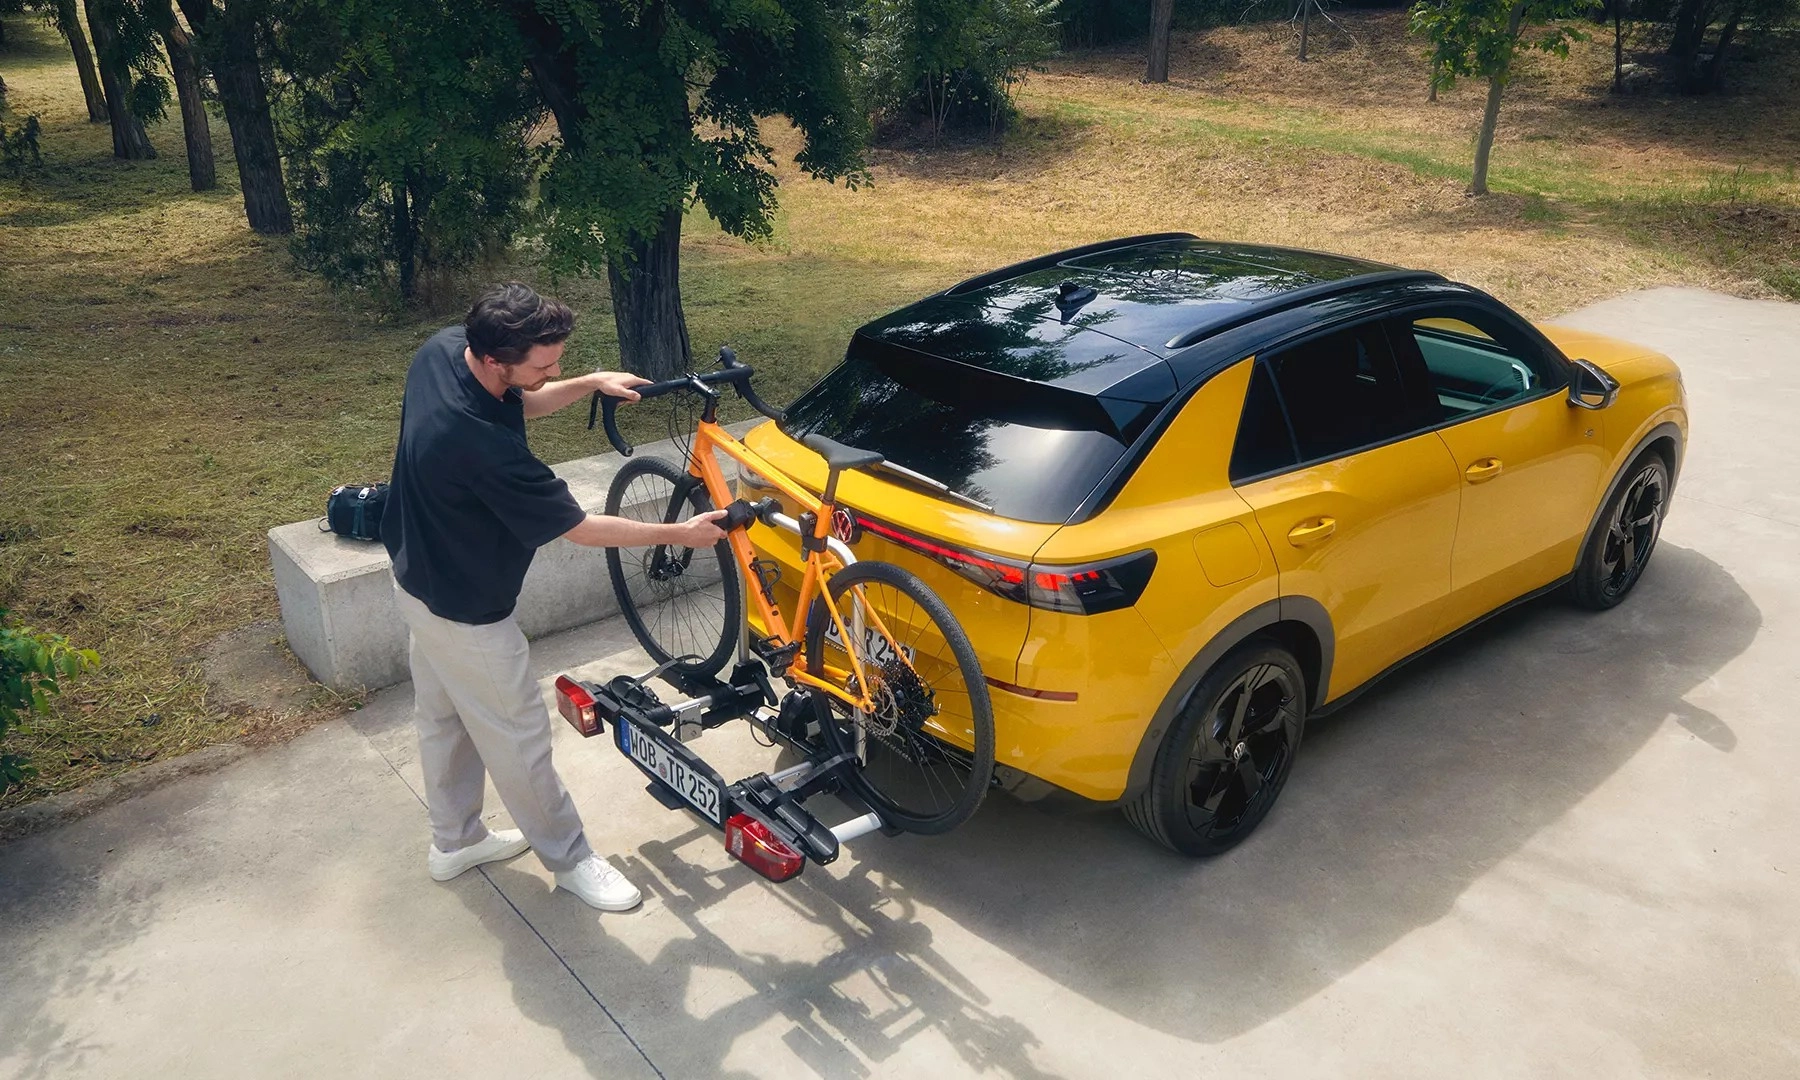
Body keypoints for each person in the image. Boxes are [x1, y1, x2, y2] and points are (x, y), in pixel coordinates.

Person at [381, 282, 726, 912]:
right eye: (543, 365)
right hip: (466, 611)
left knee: (445, 719)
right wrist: (681, 532)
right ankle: (570, 860)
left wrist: (591, 382)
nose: (552, 373)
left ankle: (455, 840)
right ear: (493, 359)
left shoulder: (443, 352)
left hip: (414, 578)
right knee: (519, 741)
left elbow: (524, 402)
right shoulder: (476, 444)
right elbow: (581, 529)